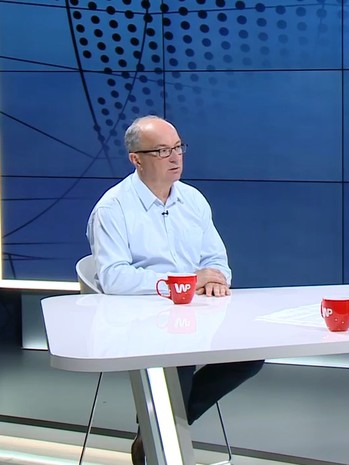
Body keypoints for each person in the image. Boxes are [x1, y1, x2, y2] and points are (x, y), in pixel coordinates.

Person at [86, 115, 264, 464]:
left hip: (195, 313)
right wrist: (182, 284)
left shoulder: (192, 200)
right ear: (136, 159)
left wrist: (216, 278)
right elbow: (113, 277)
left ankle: (152, 435)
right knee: (175, 357)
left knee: (249, 354)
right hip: (140, 318)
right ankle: (157, 442)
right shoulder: (112, 208)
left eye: (178, 147)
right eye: (162, 151)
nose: (175, 157)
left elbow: (215, 259)